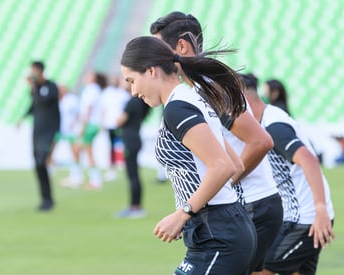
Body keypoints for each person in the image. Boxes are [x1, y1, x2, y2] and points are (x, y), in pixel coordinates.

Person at [150, 12, 279, 275]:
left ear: (181, 47)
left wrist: (215, 188)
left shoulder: (209, 89)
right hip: (238, 210)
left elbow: (261, 141)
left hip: (252, 204)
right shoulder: (196, 89)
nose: (155, 59)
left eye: (159, 50)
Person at [121, 36, 257, 274]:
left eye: (132, 81)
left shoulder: (178, 107)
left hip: (218, 236)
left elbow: (223, 166)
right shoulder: (190, 98)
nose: (133, 91)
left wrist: (185, 213)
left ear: (151, 71)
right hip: (220, 227)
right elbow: (234, 164)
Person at [243, 73, 335, 275]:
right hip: (299, 215)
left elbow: (309, 160)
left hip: (305, 219)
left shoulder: (273, 126)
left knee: (258, 270)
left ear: (246, 101)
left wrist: (320, 211)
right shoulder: (267, 120)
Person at [23, 61, 60, 211]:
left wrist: (33, 86)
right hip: (37, 131)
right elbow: (34, 105)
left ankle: (48, 198)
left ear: (40, 71)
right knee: (37, 165)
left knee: (41, 162)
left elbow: (44, 101)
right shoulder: (35, 89)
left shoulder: (51, 87)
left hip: (49, 131)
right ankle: (45, 199)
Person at [114, 82, 150, 218]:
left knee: (132, 174)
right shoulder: (139, 102)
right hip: (134, 139)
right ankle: (135, 206)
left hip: (131, 141)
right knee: (133, 174)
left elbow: (119, 121)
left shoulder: (133, 102)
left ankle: (135, 207)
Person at [64, 72, 105, 189]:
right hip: (91, 124)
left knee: (87, 150)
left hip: (90, 124)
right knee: (78, 149)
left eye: (89, 75)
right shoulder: (92, 89)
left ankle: (94, 180)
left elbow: (88, 108)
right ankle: (78, 176)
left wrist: (83, 125)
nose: (85, 76)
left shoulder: (91, 90)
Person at [100, 74, 130, 181]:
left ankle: (126, 166)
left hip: (121, 125)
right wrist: (102, 121)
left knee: (124, 146)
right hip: (109, 124)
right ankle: (112, 168)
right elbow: (103, 109)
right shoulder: (107, 92)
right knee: (111, 147)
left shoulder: (123, 93)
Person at [49, 84, 79, 169]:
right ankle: (50, 170)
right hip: (57, 129)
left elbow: (77, 113)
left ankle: (76, 173)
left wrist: (73, 123)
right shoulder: (54, 99)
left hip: (69, 129)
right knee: (50, 151)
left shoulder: (72, 99)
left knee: (74, 151)